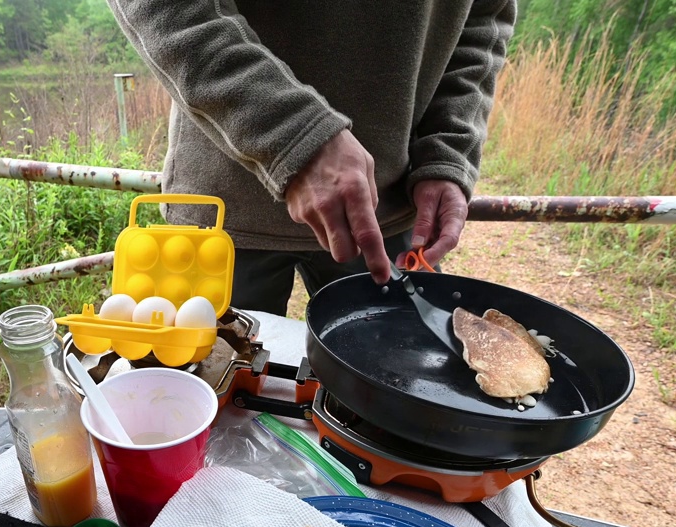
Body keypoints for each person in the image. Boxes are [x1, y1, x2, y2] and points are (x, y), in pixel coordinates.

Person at [106, 1, 516, 315]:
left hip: (385, 211)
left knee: (392, 410)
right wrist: (291, 136)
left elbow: (484, 18)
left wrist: (447, 148)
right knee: (204, 407)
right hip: (222, 215)